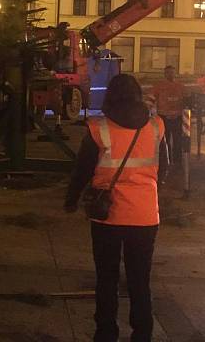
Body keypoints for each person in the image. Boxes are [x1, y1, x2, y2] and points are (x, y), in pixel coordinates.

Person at [64, 74, 169, 342]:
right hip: (145, 216)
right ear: (137, 95)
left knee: (107, 278)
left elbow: (82, 170)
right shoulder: (156, 126)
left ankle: (106, 333)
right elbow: (165, 168)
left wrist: (71, 199)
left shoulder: (99, 128)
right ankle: (142, 333)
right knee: (139, 279)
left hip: (107, 215)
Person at [152, 65, 187, 163]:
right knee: (164, 141)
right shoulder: (159, 86)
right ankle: (166, 161)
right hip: (164, 118)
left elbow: (186, 101)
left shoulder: (181, 86)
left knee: (177, 141)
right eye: (168, 72)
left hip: (177, 117)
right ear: (165, 74)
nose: (170, 74)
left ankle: (177, 161)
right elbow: (151, 99)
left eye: (172, 72)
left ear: (175, 73)